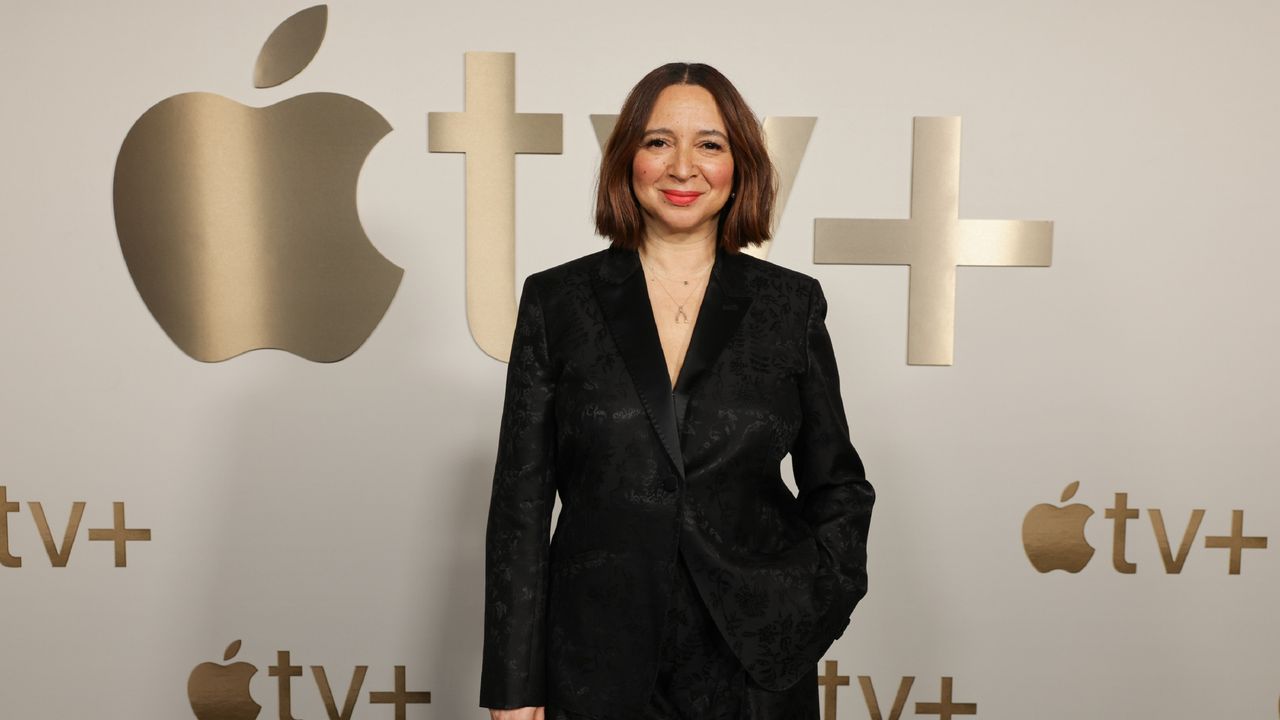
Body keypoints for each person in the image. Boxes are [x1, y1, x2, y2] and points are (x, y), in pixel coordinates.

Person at [480, 62, 873, 720]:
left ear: (739, 165)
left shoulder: (790, 306)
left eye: (710, 144)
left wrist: (804, 608)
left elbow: (838, 484)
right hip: (595, 662)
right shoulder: (558, 302)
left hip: (750, 664)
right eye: (659, 141)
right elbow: (519, 512)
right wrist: (516, 688)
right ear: (627, 158)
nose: (682, 167)